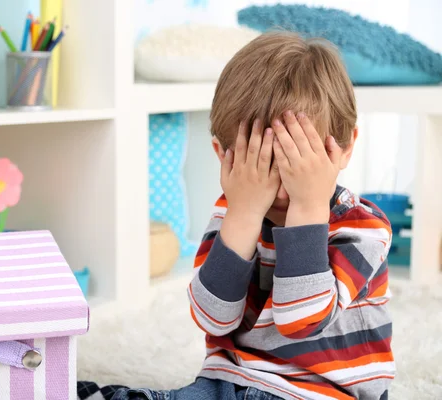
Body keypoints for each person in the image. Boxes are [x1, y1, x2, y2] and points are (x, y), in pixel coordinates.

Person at [78, 31, 394, 400]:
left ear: (345, 148)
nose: (279, 189)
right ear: (223, 155)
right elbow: (213, 318)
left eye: (295, 165)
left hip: (324, 392)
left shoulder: (362, 228)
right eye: (263, 165)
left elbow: (300, 320)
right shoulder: (233, 211)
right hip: (229, 381)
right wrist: (243, 215)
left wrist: (308, 208)